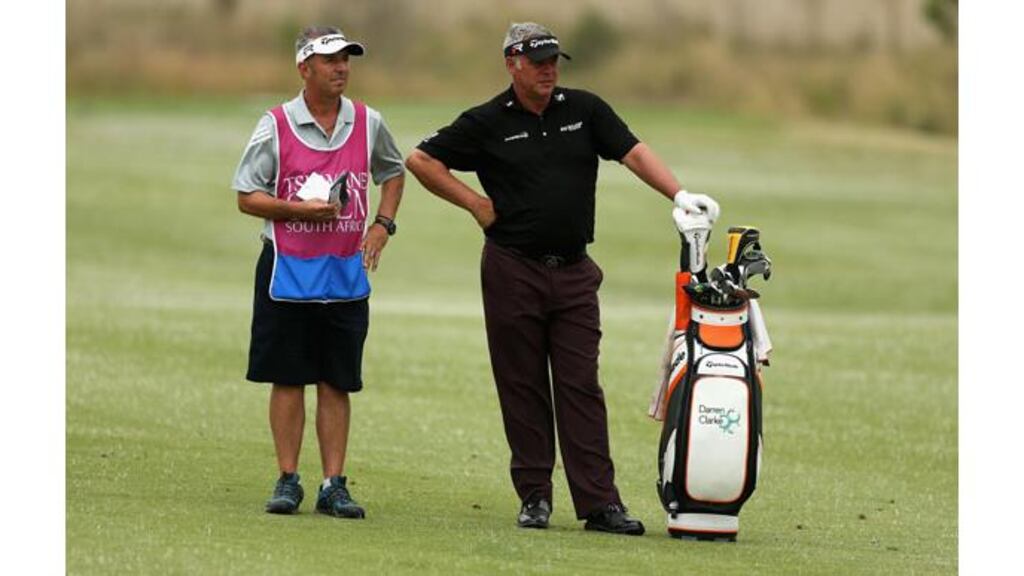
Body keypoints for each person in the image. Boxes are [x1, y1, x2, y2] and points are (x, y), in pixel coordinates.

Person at [405, 22, 719, 535]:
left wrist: (679, 195)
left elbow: (632, 151)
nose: (550, 70)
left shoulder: (584, 109)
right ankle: (535, 496)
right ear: (513, 64)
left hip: (574, 272)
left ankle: (600, 503)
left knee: (580, 386)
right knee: (522, 384)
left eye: (554, 61)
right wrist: (475, 204)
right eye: (539, 61)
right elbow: (421, 159)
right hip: (512, 269)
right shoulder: (487, 121)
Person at [232, 25, 405, 519]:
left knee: (336, 380)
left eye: (346, 59)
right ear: (304, 68)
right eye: (330, 60)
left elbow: (393, 171)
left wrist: (383, 226)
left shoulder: (369, 121)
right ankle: (288, 479)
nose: (341, 68)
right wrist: (297, 211)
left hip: (346, 272)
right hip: (287, 270)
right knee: (288, 377)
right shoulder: (275, 125)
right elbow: (248, 196)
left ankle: (334, 484)